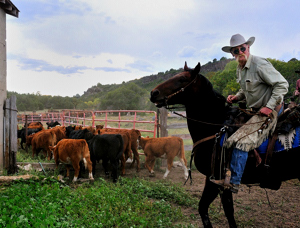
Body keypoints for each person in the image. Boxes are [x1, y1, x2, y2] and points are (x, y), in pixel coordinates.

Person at [211, 34, 289, 193]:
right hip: (254, 111)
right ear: (232, 54)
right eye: (235, 50)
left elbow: (282, 85)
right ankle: (228, 174)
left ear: (248, 47)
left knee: (243, 142)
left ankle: (234, 182)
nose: (240, 52)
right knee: (230, 138)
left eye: (242, 48)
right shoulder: (240, 68)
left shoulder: (259, 64)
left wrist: (269, 106)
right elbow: (246, 90)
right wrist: (237, 96)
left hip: (270, 111)